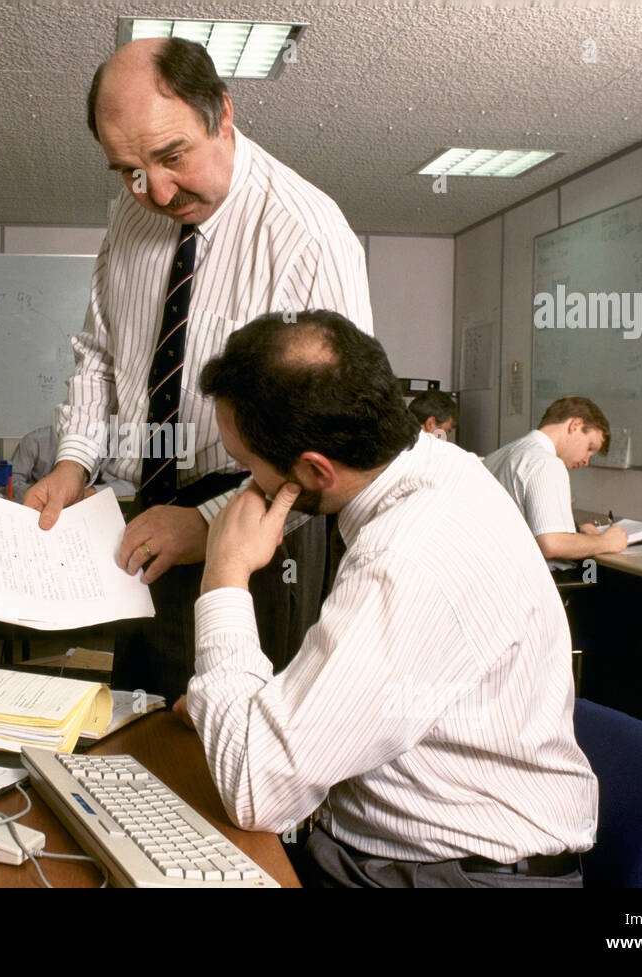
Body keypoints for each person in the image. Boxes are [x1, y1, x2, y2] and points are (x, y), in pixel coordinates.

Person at [182, 309, 597, 888]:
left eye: (249, 467)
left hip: (447, 873)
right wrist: (239, 705)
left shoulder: (405, 560)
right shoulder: (442, 465)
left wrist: (224, 574)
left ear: (313, 470)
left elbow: (259, 790)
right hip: (405, 847)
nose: (246, 487)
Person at [23, 37, 373, 703]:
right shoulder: (131, 218)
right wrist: (72, 462)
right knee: (137, 727)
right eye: (127, 169)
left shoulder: (309, 235)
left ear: (224, 113)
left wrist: (211, 525)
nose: (154, 190)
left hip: (261, 535)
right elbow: (100, 353)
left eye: (171, 156)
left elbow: (334, 437)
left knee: (235, 761)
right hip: (143, 522)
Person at [484, 396, 627, 560]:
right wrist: (606, 542)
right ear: (575, 425)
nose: (586, 461)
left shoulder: (498, 455)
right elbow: (551, 545)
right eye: (590, 447)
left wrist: (583, 535)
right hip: (520, 575)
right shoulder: (546, 463)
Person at [9, 425, 135, 504]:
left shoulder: (106, 444)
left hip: (85, 508)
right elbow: (10, 482)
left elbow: (127, 486)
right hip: (38, 507)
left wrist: (88, 493)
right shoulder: (33, 441)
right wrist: (45, 496)